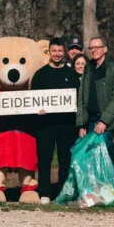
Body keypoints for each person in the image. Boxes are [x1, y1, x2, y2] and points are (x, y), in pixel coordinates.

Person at [31, 37, 79, 203]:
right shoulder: (40, 74)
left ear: (64, 52)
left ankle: (63, 191)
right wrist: (38, 110)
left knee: (65, 159)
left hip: (66, 124)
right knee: (45, 158)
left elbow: (77, 99)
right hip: (45, 125)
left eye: (60, 51)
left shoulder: (71, 74)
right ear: (49, 52)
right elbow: (33, 100)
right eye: (54, 51)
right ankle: (44, 192)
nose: (57, 54)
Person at [76, 37, 114, 162]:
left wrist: (104, 121)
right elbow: (82, 97)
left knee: (106, 158)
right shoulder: (88, 68)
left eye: (97, 47)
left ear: (105, 49)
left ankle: (113, 182)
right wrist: (81, 124)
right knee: (91, 159)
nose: (93, 50)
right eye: (91, 48)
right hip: (90, 121)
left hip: (106, 123)